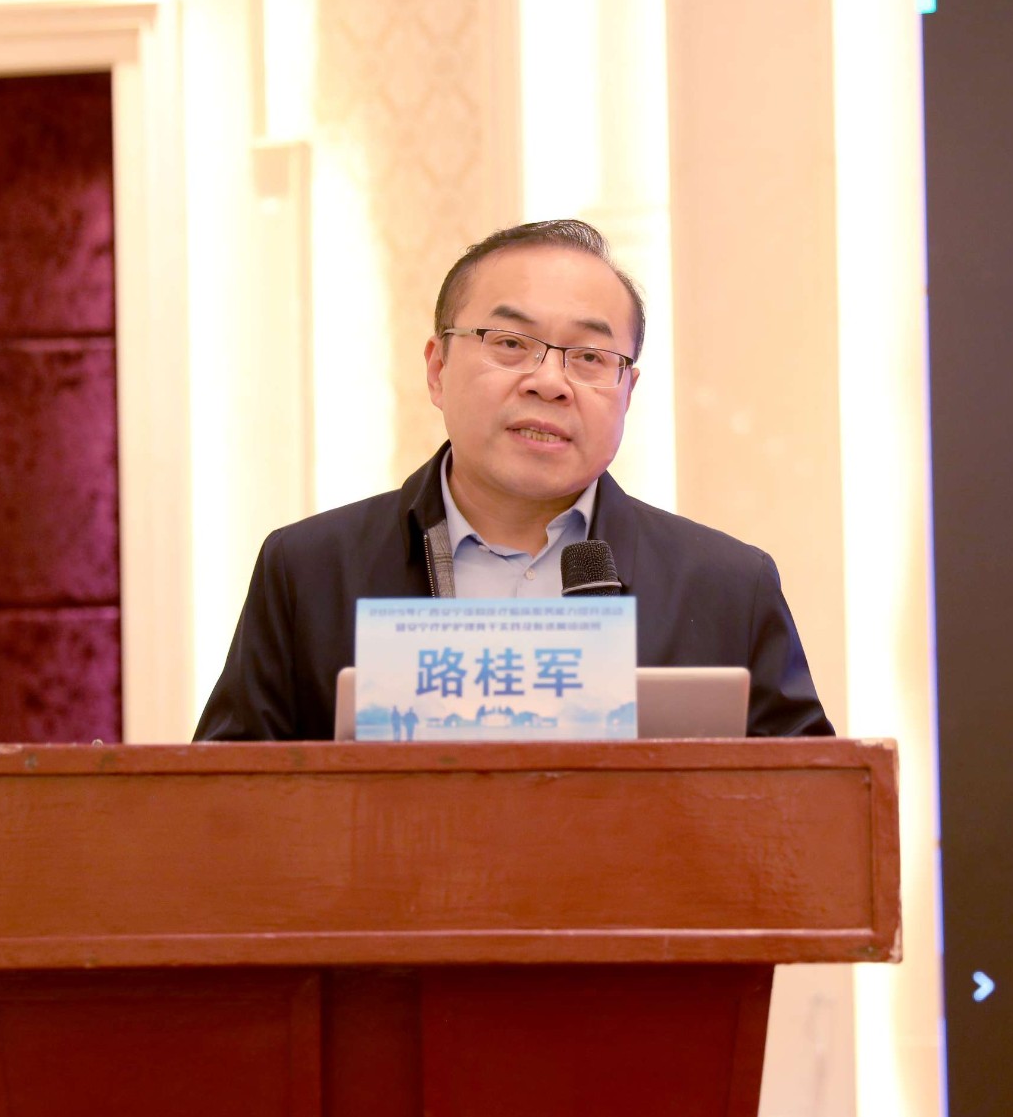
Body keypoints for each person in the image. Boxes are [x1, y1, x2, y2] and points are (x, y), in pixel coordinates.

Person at [195, 218, 833, 740]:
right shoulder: (309, 571)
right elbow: (225, 812)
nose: (549, 382)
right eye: (509, 343)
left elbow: (811, 815)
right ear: (438, 369)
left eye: (590, 356)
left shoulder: (727, 588)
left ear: (628, 391)